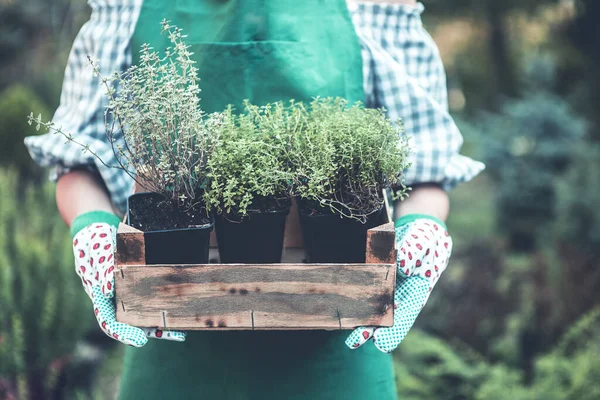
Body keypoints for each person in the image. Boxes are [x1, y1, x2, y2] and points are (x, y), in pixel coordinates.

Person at [25, 0, 484, 398]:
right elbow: (75, 157)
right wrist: (92, 227)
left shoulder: (377, 5)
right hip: (171, 344)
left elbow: (425, 170)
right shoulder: (130, 5)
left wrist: (423, 229)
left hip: (337, 352)